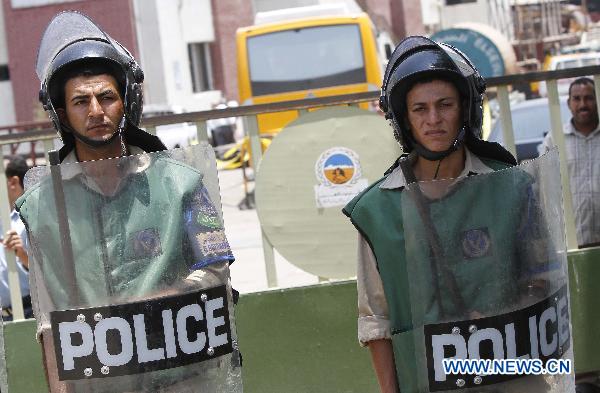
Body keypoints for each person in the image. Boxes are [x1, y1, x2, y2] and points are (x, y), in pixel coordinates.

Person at [16, 11, 239, 392]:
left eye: (106, 97)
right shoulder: (43, 206)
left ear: (126, 101)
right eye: (80, 102)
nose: (96, 112)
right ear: (62, 114)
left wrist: (165, 297)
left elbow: (217, 271)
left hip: (186, 377)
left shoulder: (180, 181)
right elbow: (51, 323)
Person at [343, 36, 570, 393]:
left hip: (512, 377)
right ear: (404, 119)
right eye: (420, 109)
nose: (433, 119)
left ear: (465, 109)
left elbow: (544, 280)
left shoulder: (509, 185)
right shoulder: (377, 211)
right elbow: (375, 320)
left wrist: (505, 311)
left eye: (444, 104)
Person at [541, 77, 600, 248]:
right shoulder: (555, 139)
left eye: (589, 98)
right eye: (577, 98)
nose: (583, 104)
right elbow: (544, 188)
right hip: (573, 242)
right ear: (568, 103)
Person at [0, 155, 32, 320]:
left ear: (12, 182)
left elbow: (51, 275)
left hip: (29, 312)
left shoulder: (32, 218)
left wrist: (22, 255)